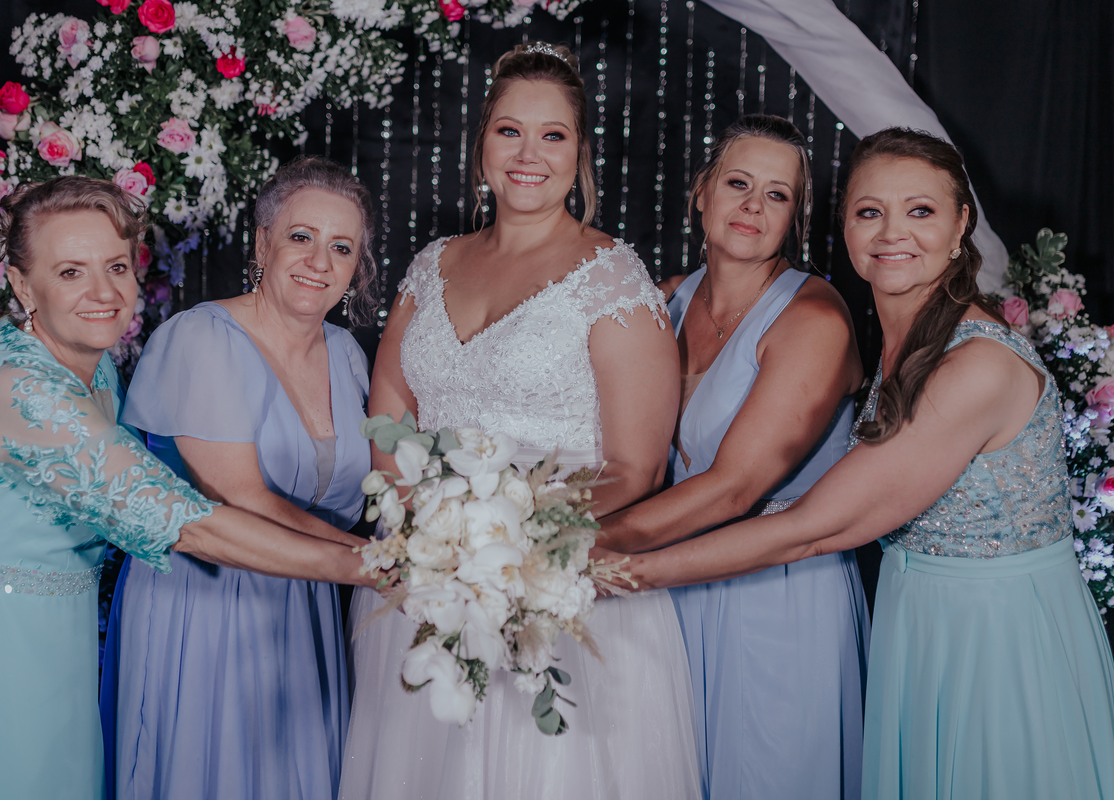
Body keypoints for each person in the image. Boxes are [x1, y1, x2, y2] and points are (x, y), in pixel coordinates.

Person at [602, 128, 1114, 798]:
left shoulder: (976, 365)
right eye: (871, 211)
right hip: (917, 622)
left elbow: (814, 527)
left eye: (921, 211)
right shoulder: (908, 340)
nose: (892, 232)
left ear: (961, 224)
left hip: (997, 641)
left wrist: (611, 572)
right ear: (843, 225)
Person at [0, 176, 380, 800]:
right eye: (71, 272)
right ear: (23, 286)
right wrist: (375, 568)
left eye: (115, 267)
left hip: (58, 631)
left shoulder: (93, 365)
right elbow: (186, 521)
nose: (103, 293)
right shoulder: (21, 389)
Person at [339, 43, 701, 799]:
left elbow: (636, 467)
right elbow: (391, 408)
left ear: (580, 154)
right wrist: (423, 537)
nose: (528, 155)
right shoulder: (432, 263)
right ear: (482, 145)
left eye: (553, 135)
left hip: (557, 587)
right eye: (509, 131)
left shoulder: (612, 279)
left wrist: (507, 540)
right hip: (424, 581)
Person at [597, 114, 869, 800]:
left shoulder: (815, 321)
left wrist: (571, 547)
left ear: (795, 219)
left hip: (773, 593)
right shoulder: (661, 301)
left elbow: (734, 488)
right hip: (665, 588)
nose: (753, 206)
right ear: (701, 191)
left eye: (777, 195)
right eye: (738, 183)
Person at [101, 157, 376, 800]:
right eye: (301, 237)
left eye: (341, 247)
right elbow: (242, 497)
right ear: (262, 243)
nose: (319, 261)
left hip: (306, 604)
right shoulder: (203, 337)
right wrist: (383, 564)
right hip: (207, 604)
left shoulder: (347, 354)